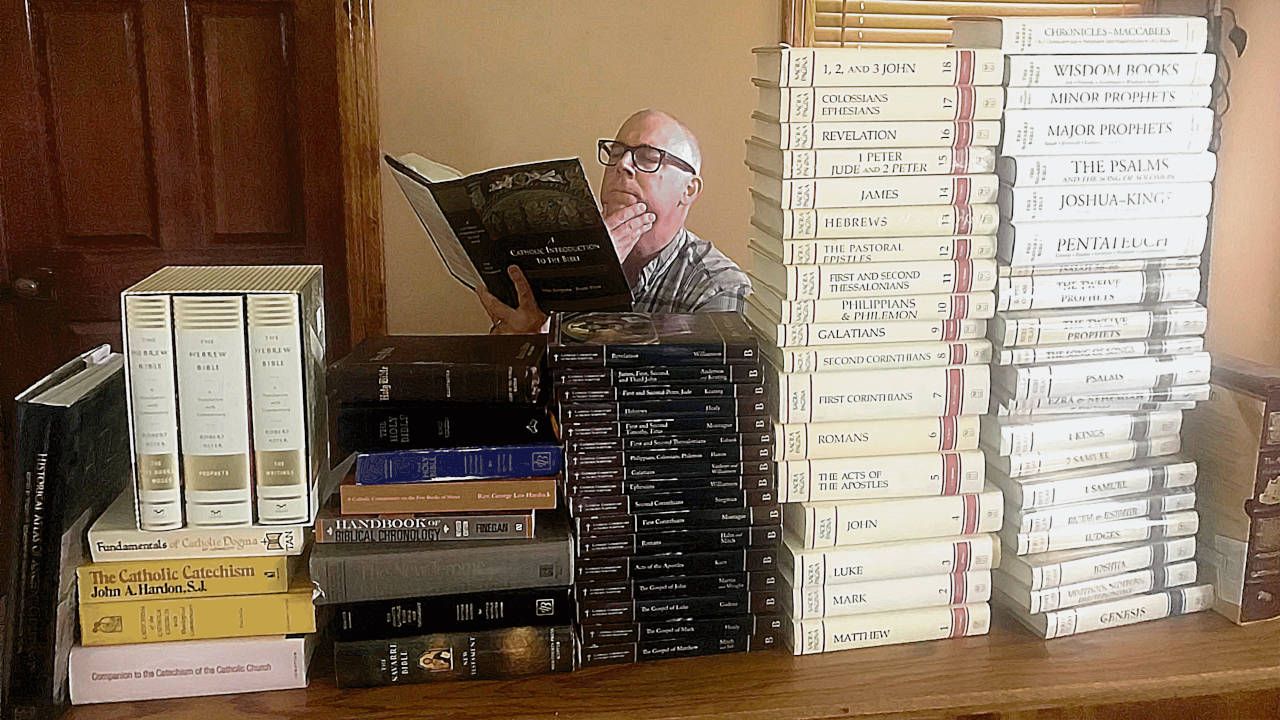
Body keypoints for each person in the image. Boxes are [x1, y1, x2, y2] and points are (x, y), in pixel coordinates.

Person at [478, 109, 752, 333]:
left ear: (688, 190)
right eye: (616, 152)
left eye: (648, 157)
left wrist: (597, 279)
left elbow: (690, 385)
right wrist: (519, 342)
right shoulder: (556, 257)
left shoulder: (716, 286)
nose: (623, 165)